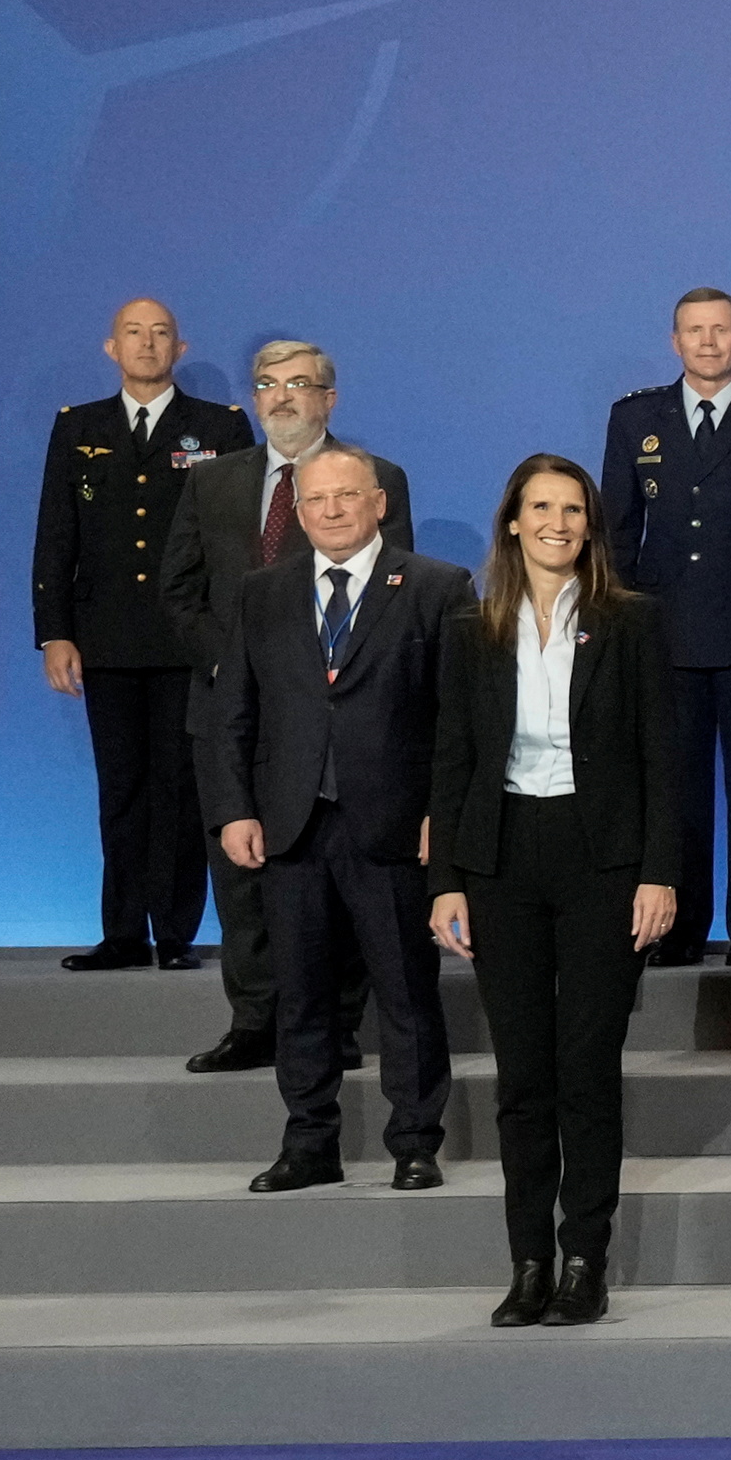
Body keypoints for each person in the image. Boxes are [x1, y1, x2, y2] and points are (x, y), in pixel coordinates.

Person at [427, 454, 680, 1326]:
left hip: (602, 859)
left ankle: (584, 1259)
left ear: (590, 525)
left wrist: (660, 871)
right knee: (522, 1078)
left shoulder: (632, 623)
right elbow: (452, 760)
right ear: (511, 521)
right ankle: (527, 1260)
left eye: (573, 509)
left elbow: (664, 760)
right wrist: (446, 882)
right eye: (541, 507)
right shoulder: (471, 629)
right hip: (500, 859)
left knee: (586, 1070)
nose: (557, 523)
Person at [203, 446, 473, 1195]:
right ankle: (309, 1140)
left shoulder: (435, 587)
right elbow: (234, 714)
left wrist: (440, 818)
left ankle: (415, 1141)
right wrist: (234, 809)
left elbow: (459, 722)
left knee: (405, 994)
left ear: (377, 502)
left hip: (391, 826)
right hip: (290, 827)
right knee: (301, 993)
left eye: (345, 497)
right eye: (316, 500)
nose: (329, 511)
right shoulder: (264, 591)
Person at [160, 344, 411, 1075]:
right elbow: (180, 592)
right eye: (268, 384)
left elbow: (390, 594)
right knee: (242, 877)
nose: (282, 396)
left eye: (299, 383)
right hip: (229, 713)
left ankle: (335, 1023)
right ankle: (256, 1021)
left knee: (337, 873)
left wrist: (303, 673)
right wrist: (244, 668)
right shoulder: (212, 481)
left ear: (330, 398)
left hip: (337, 718)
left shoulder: (374, 478)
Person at [33, 296, 251, 974]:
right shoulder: (79, 427)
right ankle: (122, 931)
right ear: (112, 347)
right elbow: (55, 534)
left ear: (179, 350)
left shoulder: (220, 426)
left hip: (188, 639)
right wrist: (54, 633)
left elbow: (235, 539)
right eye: (134, 332)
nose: (148, 344)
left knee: (180, 787)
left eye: (161, 333)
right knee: (121, 786)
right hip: (106, 638)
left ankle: (175, 931)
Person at [595, 288, 731, 968]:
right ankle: (681, 928)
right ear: (675, 341)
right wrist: (617, 629)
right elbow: (618, 531)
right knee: (676, 790)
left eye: (720, 330)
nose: (708, 341)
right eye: (695, 330)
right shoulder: (636, 417)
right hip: (665, 634)